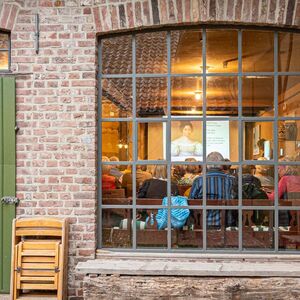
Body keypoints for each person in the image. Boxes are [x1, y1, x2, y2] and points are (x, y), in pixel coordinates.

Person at [189, 152, 238, 227]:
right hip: (227, 224)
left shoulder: (199, 180)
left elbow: (191, 203)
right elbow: (236, 203)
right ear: (222, 165)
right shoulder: (231, 180)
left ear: (207, 165)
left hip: (202, 224)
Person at [268, 157, 300, 226]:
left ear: (286, 168)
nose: (277, 172)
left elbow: (273, 198)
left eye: (278, 169)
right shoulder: (298, 177)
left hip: (289, 217)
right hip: (296, 215)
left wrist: (262, 192)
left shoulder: (285, 179)